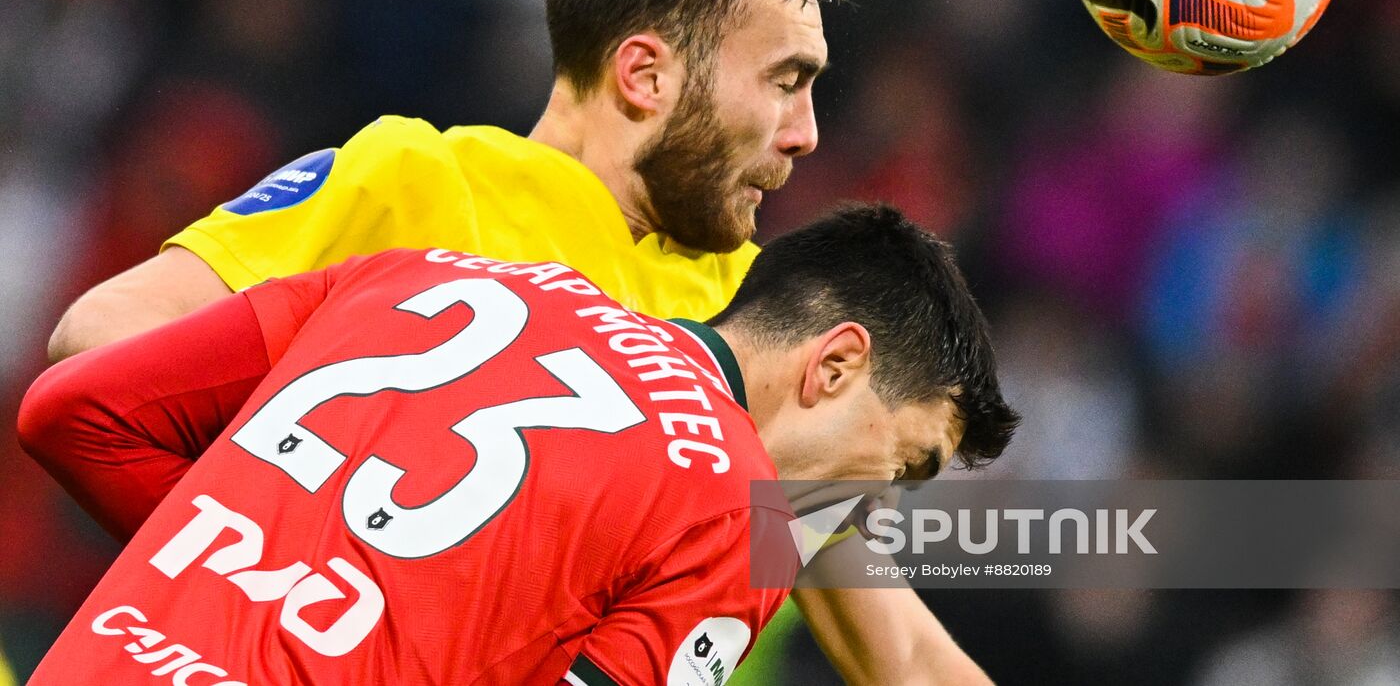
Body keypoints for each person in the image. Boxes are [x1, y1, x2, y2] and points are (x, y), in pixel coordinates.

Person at [46, 0, 985, 683]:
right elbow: (102, 339)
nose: (808, 131)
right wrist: (317, 576)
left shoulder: (758, 322)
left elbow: (895, 650)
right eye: (786, 79)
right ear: (647, 75)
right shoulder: (414, 182)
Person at [20, 205, 1018, 685]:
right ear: (833, 365)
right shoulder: (727, 502)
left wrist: (253, 557)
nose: (877, 503)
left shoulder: (417, 277)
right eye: (901, 465)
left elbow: (75, 411)